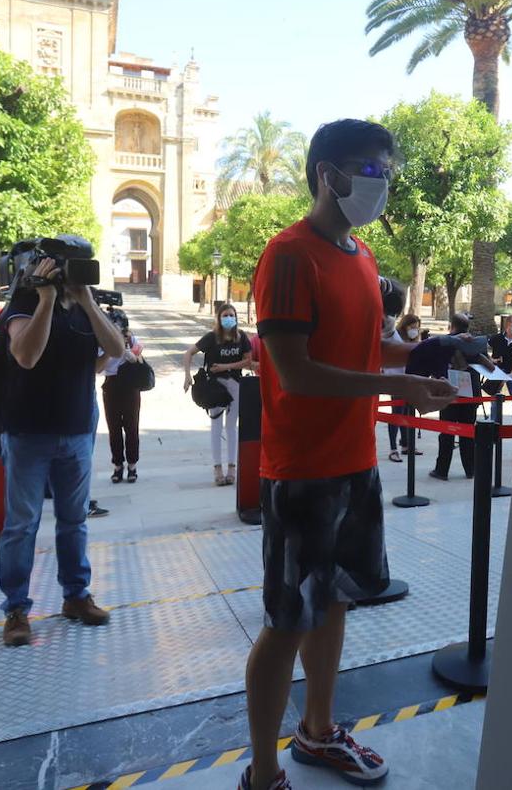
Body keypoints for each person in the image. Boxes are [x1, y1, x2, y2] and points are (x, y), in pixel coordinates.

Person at [240, 119, 456, 790]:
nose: (383, 182)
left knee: (334, 604)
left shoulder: (360, 257)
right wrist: (396, 384)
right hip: (302, 473)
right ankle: (264, 772)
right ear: (327, 174)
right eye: (371, 168)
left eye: (388, 170)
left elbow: (370, 348)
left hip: (355, 463)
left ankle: (319, 732)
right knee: (287, 621)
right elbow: (296, 370)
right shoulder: (287, 256)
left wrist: (435, 354)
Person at [0, 252, 127, 648]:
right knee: (22, 525)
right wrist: (47, 300)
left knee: (74, 521)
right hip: (28, 432)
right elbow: (26, 355)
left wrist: (86, 301)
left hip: (76, 431)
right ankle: (16, 610)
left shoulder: (89, 309)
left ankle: (76, 596)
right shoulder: (22, 304)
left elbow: (116, 351)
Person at [183, 303, 252, 486]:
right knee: (216, 425)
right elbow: (189, 352)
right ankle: (217, 468)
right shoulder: (212, 337)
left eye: (232, 315)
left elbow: (248, 360)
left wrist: (226, 367)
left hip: (235, 385)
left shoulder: (241, 337)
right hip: (215, 388)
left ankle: (231, 467)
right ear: (219, 318)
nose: (229, 318)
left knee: (231, 427)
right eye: (225, 315)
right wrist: (187, 376)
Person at [429, 312, 480, 482]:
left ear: (452, 325)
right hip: (470, 396)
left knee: (447, 433)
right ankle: (470, 469)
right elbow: (485, 365)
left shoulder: (442, 343)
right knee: (468, 432)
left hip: (448, 394)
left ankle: (442, 470)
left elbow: (435, 368)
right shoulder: (474, 344)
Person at [97, 310, 144, 486]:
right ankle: (117, 465)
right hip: (111, 385)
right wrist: (110, 349)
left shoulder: (133, 340)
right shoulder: (102, 342)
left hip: (130, 385)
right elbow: (99, 368)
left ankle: (132, 465)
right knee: (114, 428)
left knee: (131, 427)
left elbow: (135, 358)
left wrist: (123, 348)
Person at [384, 313, 424, 462]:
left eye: (416, 328)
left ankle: (407, 445)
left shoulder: (413, 339)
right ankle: (393, 449)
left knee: (408, 414)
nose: (414, 330)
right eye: (412, 327)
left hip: (410, 381)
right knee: (396, 415)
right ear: (405, 325)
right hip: (396, 381)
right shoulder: (395, 337)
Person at [488, 314, 512, 424]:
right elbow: (482, 349)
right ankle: (493, 425)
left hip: (511, 373)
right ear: (508, 324)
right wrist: (491, 360)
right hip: (497, 373)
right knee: (494, 401)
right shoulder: (496, 338)